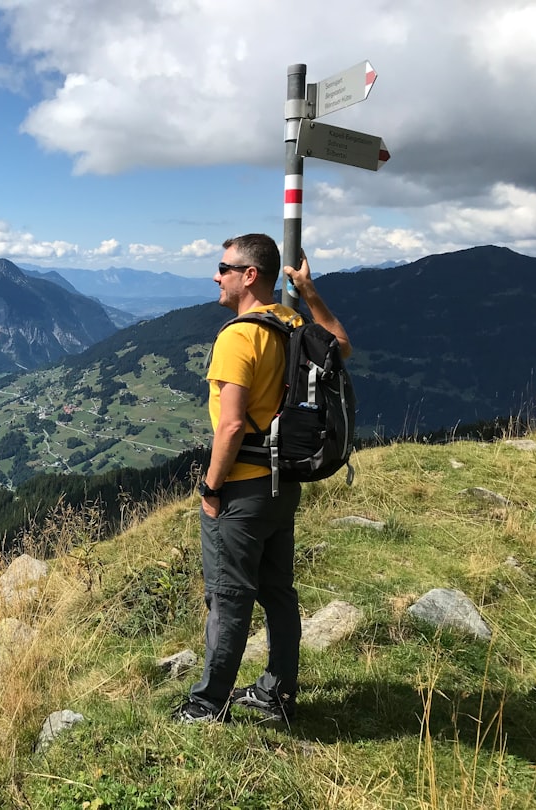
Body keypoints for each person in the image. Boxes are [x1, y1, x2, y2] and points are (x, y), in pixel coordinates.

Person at [174, 233, 351, 724]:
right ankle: (277, 694)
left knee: (228, 597)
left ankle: (207, 705)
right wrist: (309, 291)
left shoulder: (237, 336)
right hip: (282, 487)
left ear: (249, 275)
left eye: (223, 267)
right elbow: (341, 346)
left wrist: (211, 488)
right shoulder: (291, 321)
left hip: (243, 490)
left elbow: (230, 425)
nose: (216, 275)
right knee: (277, 592)